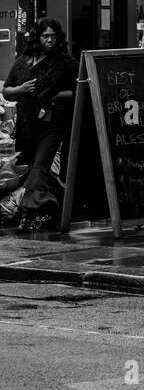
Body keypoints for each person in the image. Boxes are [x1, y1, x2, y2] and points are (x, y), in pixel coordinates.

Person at [3, 18, 77, 232]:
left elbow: (77, 90)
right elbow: (7, 89)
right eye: (46, 36)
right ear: (37, 37)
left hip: (52, 123)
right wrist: (22, 89)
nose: (50, 40)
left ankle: (30, 213)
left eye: (53, 36)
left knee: (39, 167)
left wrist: (53, 95)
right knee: (34, 169)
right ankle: (55, 209)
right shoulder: (24, 60)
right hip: (27, 124)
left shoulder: (65, 62)